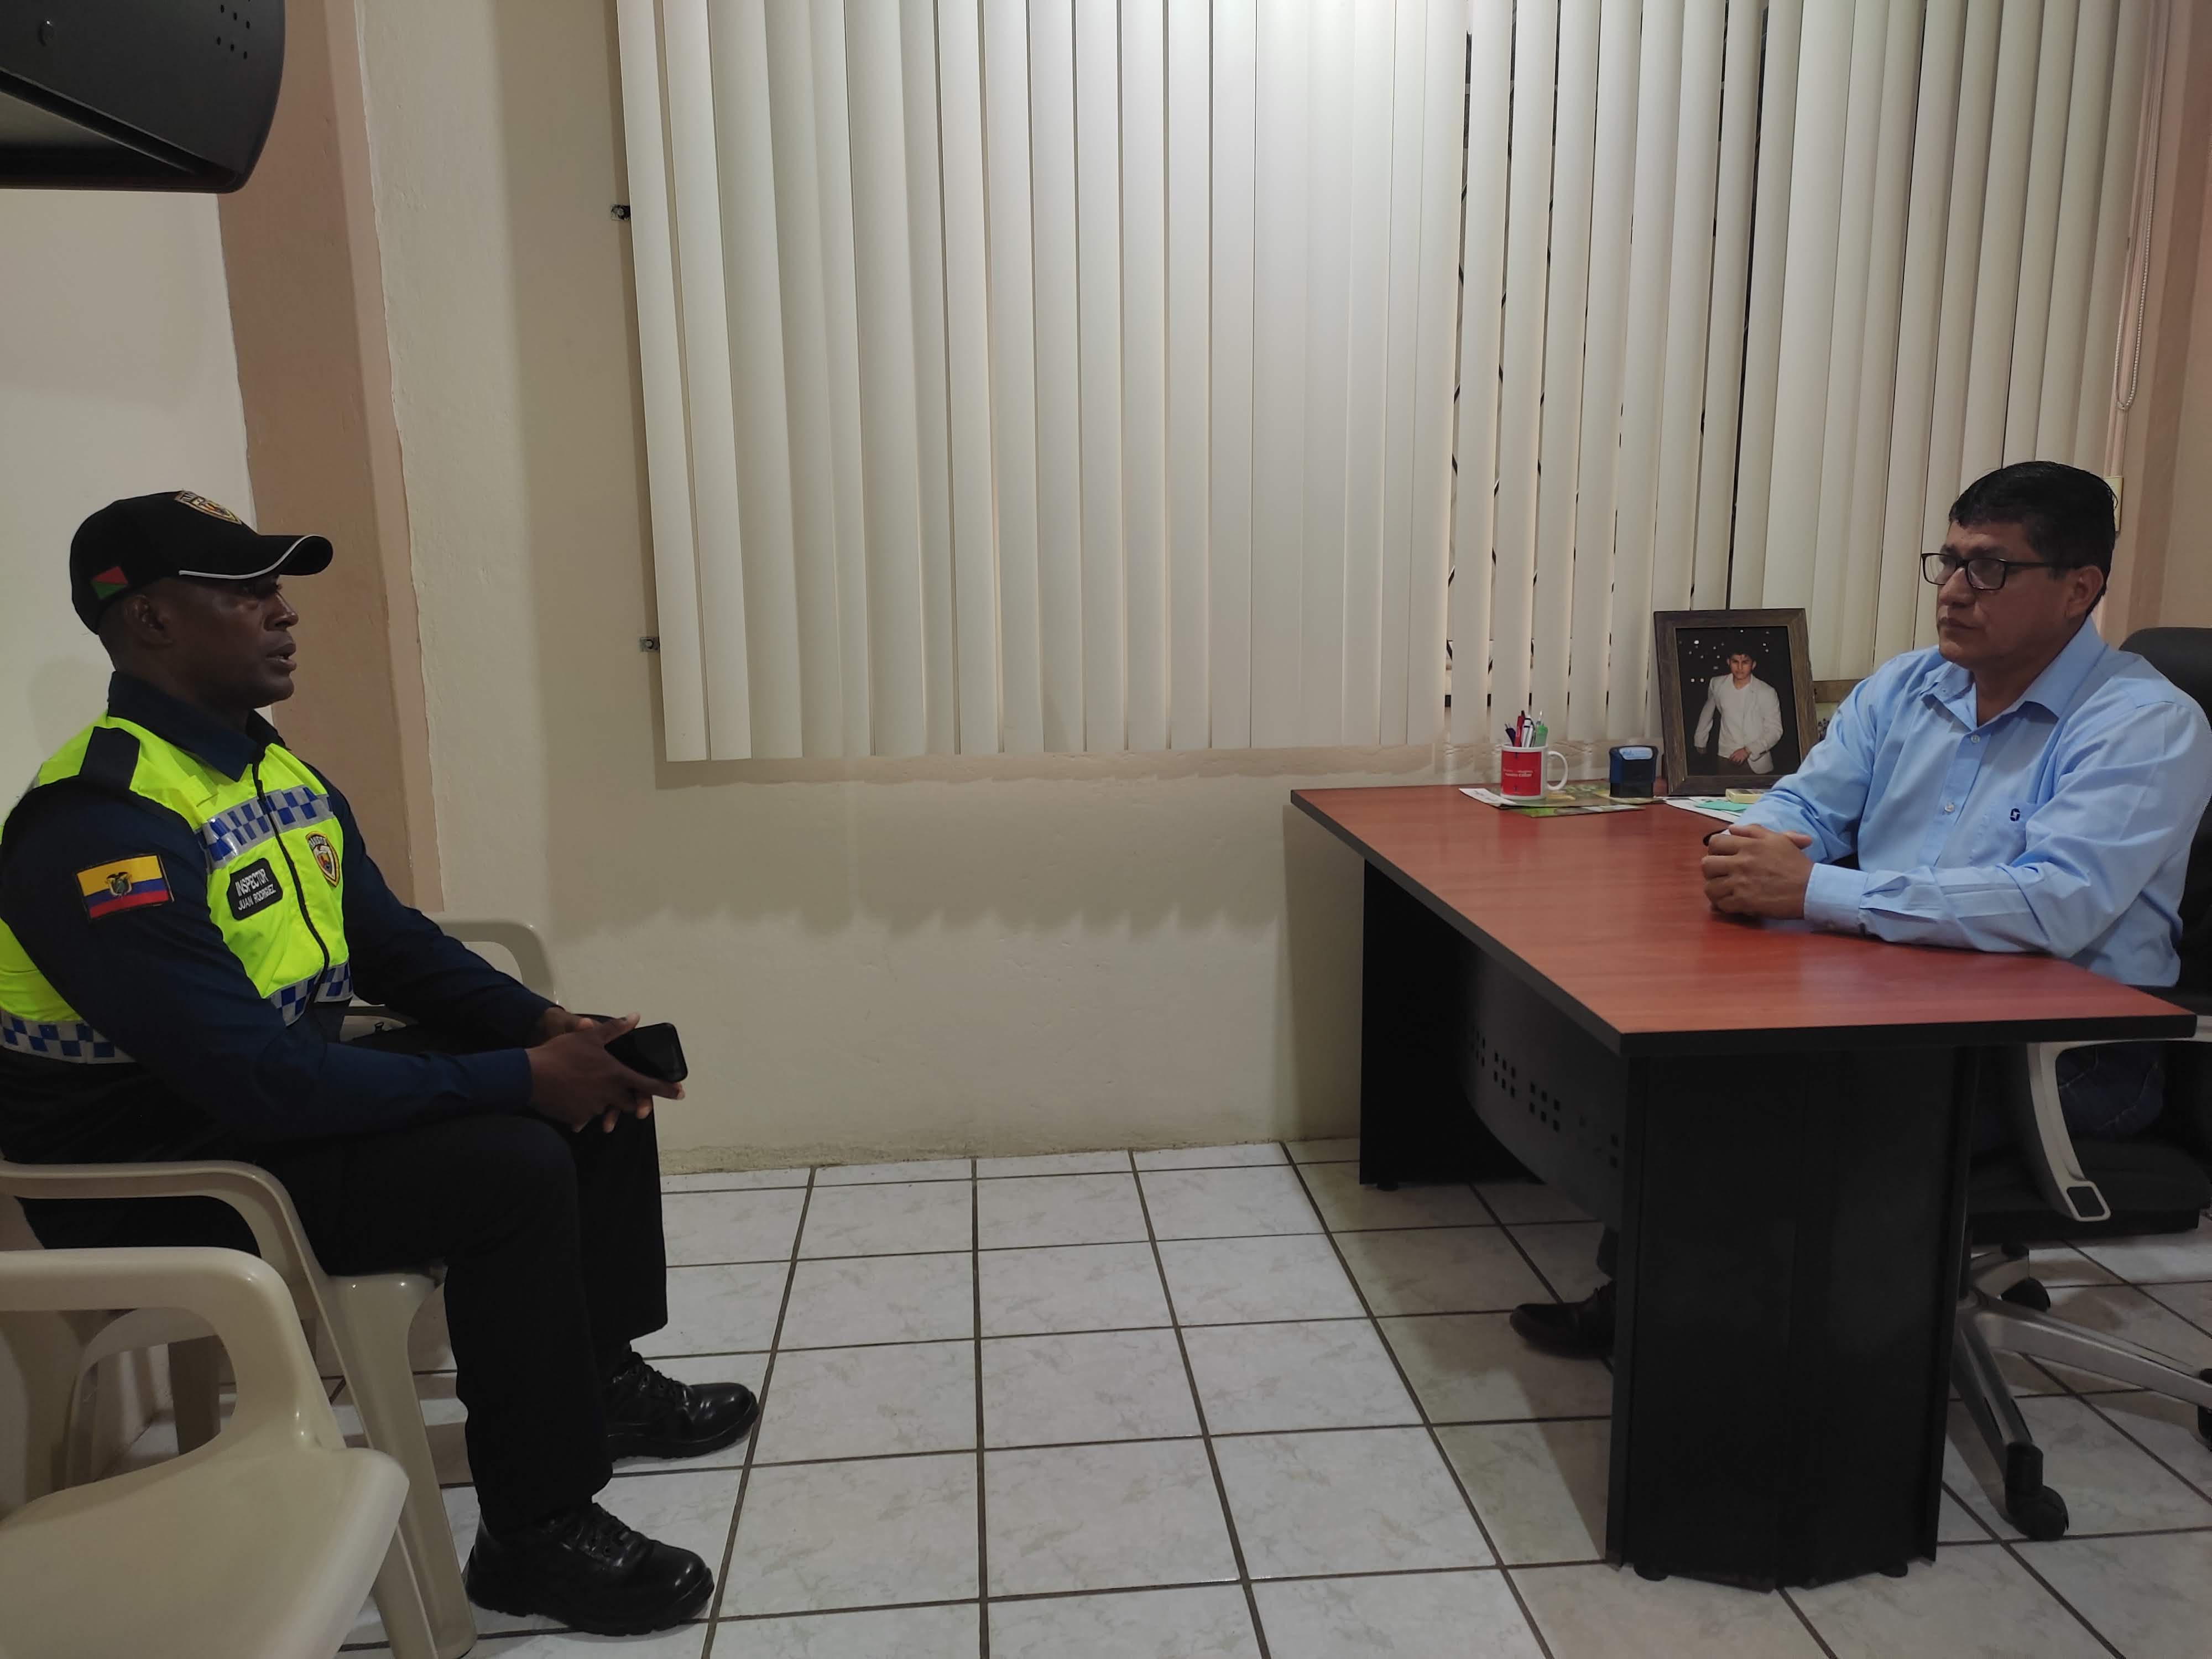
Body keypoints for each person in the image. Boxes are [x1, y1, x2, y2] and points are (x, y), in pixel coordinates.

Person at [0, 492, 758, 1636]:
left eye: (276, 587)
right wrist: (521, 1081)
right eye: (243, 592)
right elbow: (257, 1083)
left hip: (256, 1108)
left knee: (599, 1075)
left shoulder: (264, 769)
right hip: (160, 1173)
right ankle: (537, 1534)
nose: (282, 611)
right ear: (150, 619)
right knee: (510, 1165)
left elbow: (393, 945)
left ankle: (597, 1382)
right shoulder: (98, 825)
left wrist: (546, 1027)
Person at [1513, 461, 2212, 1359]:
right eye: (1948, 561)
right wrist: (1754, 848)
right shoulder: (1908, 687)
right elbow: (1808, 802)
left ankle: (1769, 1363)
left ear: (2079, 589)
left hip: (2062, 1051)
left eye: (1989, 568)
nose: (1953, 590)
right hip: (1899, 1002)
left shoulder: (2142, 725)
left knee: (1778, 1112)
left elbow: (2055, 905)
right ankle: (1674, 1314)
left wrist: (1816, 890)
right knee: (1703, 1061)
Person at [1691, 649, 1785, 775]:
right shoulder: (1717, 684)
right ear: (1728, 662)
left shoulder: (1766, 692)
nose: (1740, 668)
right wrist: (1700, 739)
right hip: (1725, 756)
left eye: (1745, 662)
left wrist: (1748, 750)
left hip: (1756, 761)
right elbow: (1707, 711)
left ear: (1753, 665)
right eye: (1735, 662)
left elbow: (1775, 730)